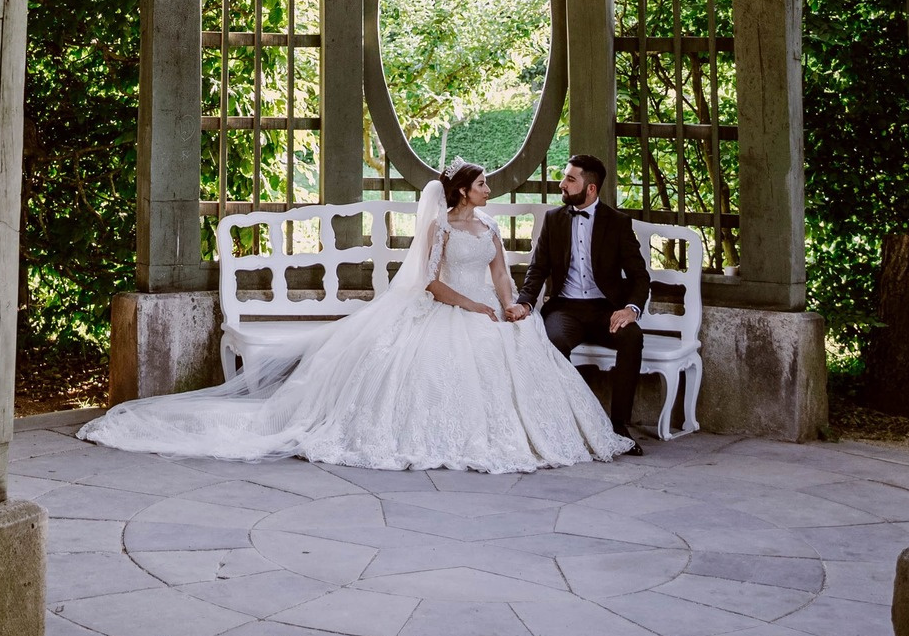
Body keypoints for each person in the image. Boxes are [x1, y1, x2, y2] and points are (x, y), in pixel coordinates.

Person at [77, 161, 638, 471]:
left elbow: (500, 276)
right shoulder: (441, 228)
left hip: (489, 310)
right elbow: (434, 284)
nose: (491, 188)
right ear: (464, 192)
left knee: (524, 343)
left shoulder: (489, 229)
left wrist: (510, 304)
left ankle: (562, 431)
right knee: (445, 359)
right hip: (450, 309)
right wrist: (475, 310)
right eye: (484, 183)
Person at [510, 153, 651, 441]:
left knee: (632, 337)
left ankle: (619, 426)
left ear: (591, 188)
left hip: (605, 310)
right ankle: (562, 425)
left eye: (570, 179)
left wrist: (631, 309)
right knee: (552, 340)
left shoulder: (618, 223)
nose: (562, 184)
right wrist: (525, 302)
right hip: (565, 309)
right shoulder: (553, 220)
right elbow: (538, 269)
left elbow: (639, 276)